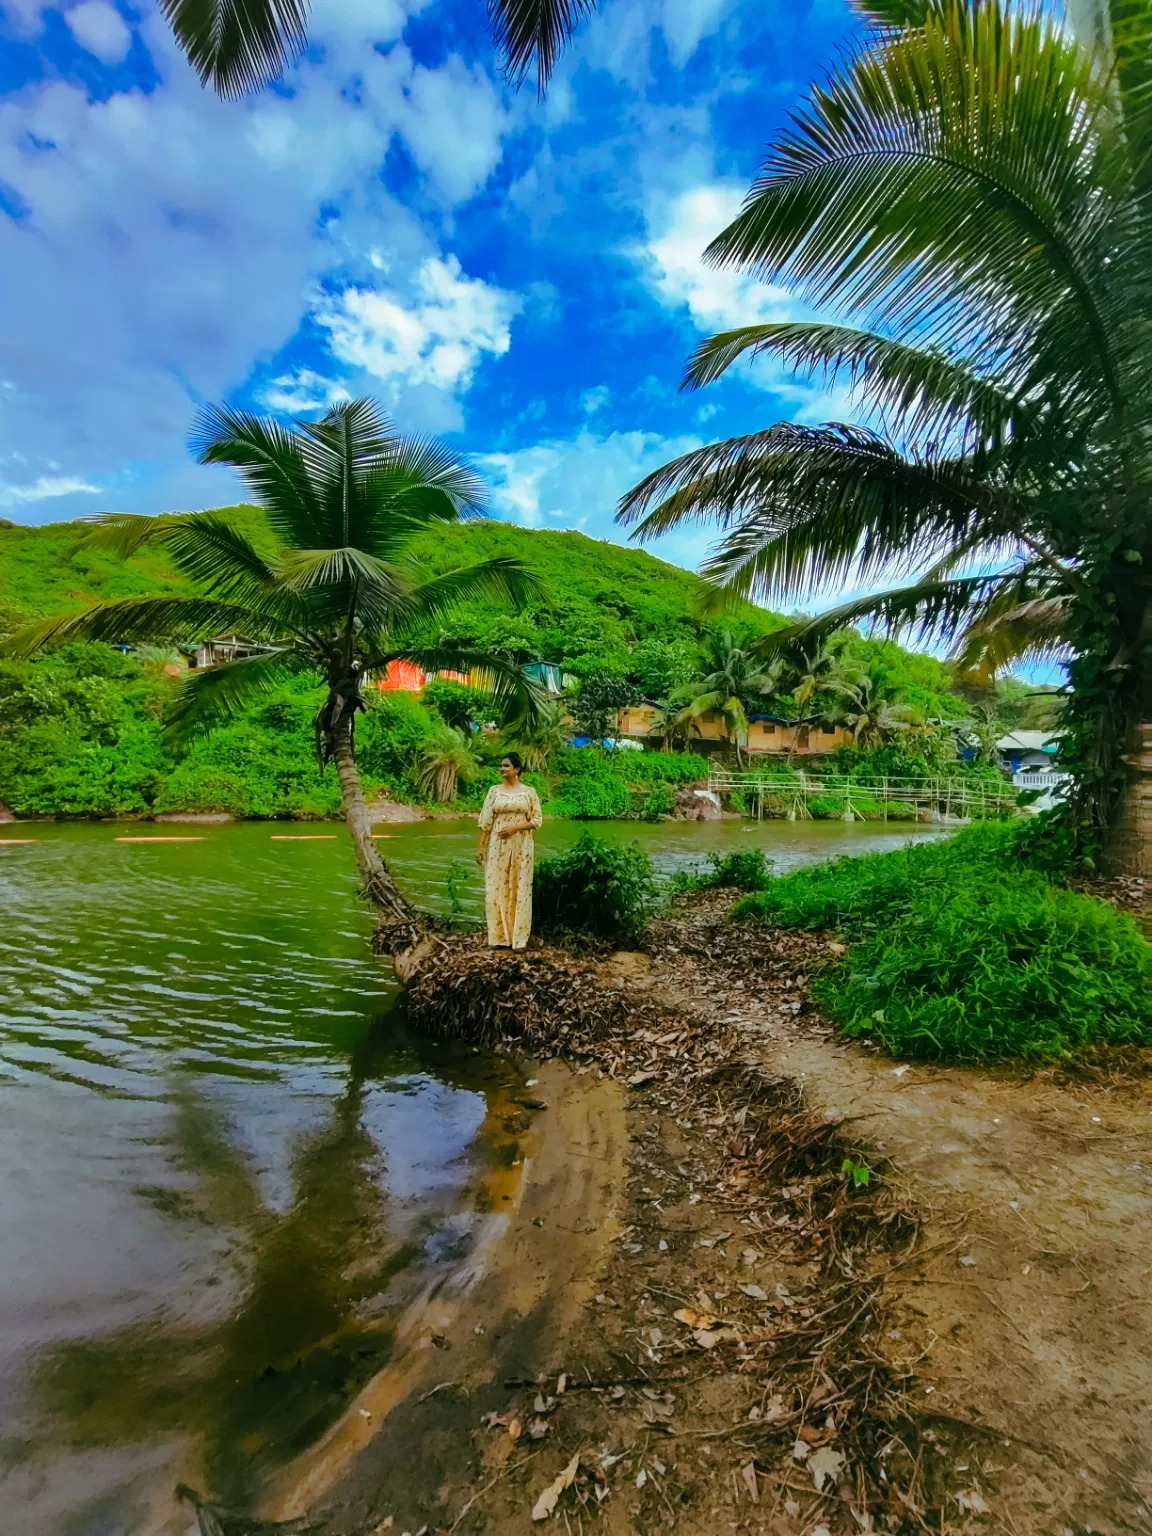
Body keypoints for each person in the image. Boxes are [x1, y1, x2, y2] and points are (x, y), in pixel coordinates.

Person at [476, 753, 543, 949]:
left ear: (517, 769)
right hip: (498, 846)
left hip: (522, 846)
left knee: (519, 887)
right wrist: (481, 847)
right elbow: (485, 821)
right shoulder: (494, 791)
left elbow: (537, 820)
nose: (502, 769)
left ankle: (518, 940)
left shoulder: (529, 792)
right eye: (501, 766)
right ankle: (498, 937)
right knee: (496, 886)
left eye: (506, 766)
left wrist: (515, 828)